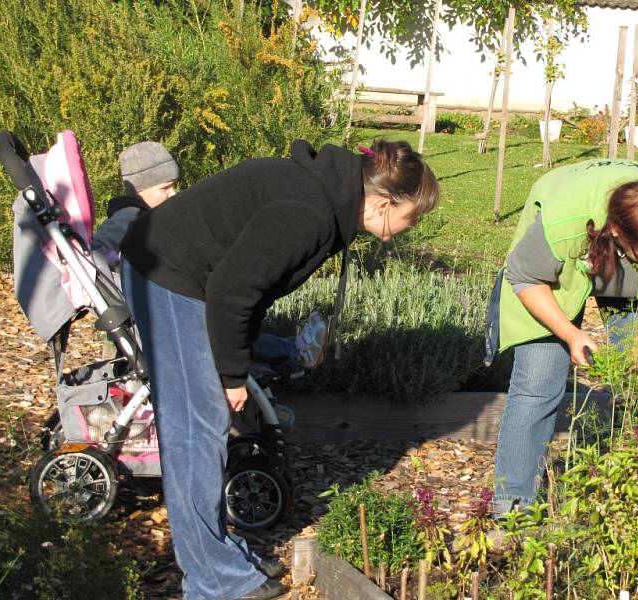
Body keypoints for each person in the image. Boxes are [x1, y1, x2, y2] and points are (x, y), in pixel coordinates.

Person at [119, 139, 439, 600]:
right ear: (385, 202)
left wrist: (236, 359)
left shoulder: (326, 201)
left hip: (186, 274)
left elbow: (252, 287)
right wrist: (231, 375)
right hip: (167, 272)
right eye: (412, 217)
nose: (407, 230)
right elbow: (233, 292)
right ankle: (212, 581)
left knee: (204, 428)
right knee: (196, 431)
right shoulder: (307, 211)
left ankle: (219, 556)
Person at [484, 158, 638, 516]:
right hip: (551, 275)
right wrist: (570, 334)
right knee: (538, 384)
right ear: (616, 231)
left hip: (627, 265)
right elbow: (524, 277)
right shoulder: (563, 221)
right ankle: (513, 507)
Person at [93, 141, 328, 369]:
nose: (174, 193)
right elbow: (96, 253)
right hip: (156, 308)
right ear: (140, 188)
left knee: (224, 323)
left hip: (159, 302)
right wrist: (114, 260)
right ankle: (294, 350)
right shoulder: (128, 217)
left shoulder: (144, 218)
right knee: (222, 330)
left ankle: (290, 351)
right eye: (165, 187)